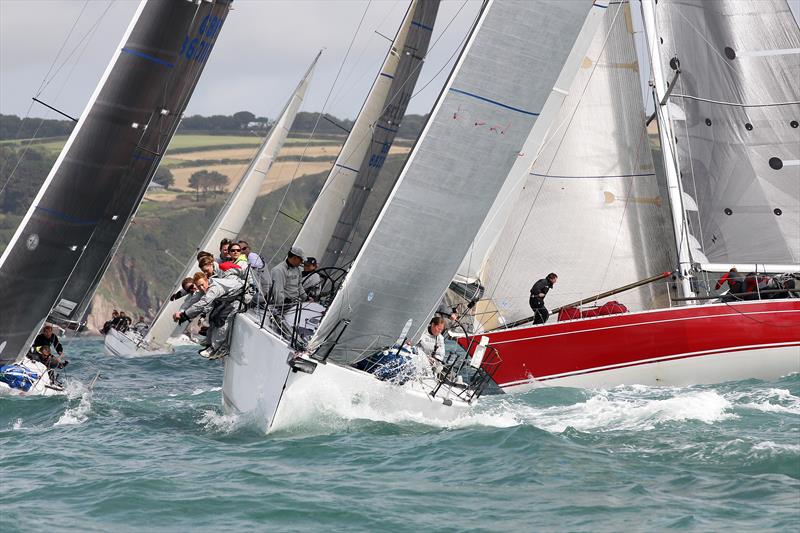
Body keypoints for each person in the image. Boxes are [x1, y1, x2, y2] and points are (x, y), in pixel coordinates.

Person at [173, 272, 244, 358]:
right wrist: (181, 312)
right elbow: (192, 301)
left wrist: (186, 315)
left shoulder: (213, 288)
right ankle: (209, 344)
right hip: (231, 298)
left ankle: (220, 348)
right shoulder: (203, 289)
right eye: (199, 286)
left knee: (222, 319)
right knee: (213, 316)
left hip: (242, 296)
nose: (201, 288)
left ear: (207, 280)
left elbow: (204, 302)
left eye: (202, 284)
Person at [270, 246, 306, 310]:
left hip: (296, 304)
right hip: (285, 306)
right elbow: (278, 292)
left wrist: (306, 298)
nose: (302, 262)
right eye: (301, 260)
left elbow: (299, 286)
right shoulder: (279, 270)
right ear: (295, 258)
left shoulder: (298, 269)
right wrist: (285, 304)